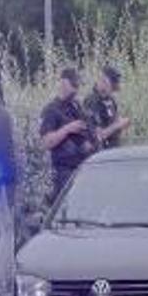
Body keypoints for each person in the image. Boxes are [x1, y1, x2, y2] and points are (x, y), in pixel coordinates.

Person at [40, 66, 96, 202]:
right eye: (74, 85)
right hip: (64, 172)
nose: (77, 90)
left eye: (78, 85)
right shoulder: (51, 110)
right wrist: (67, 129)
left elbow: (88, 131)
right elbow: (46, 143)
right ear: (64, 83)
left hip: (83, 168)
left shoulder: (76, 107)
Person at [83, 64, 131, 150]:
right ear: (103, 81)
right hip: (100, 154)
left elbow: (112, 123)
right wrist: (118, 125)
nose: (114, 88)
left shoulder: (110, 100)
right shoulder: (92, 102)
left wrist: (121, 125)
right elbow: (98, 135)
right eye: (112, 83)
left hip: (113, 150)